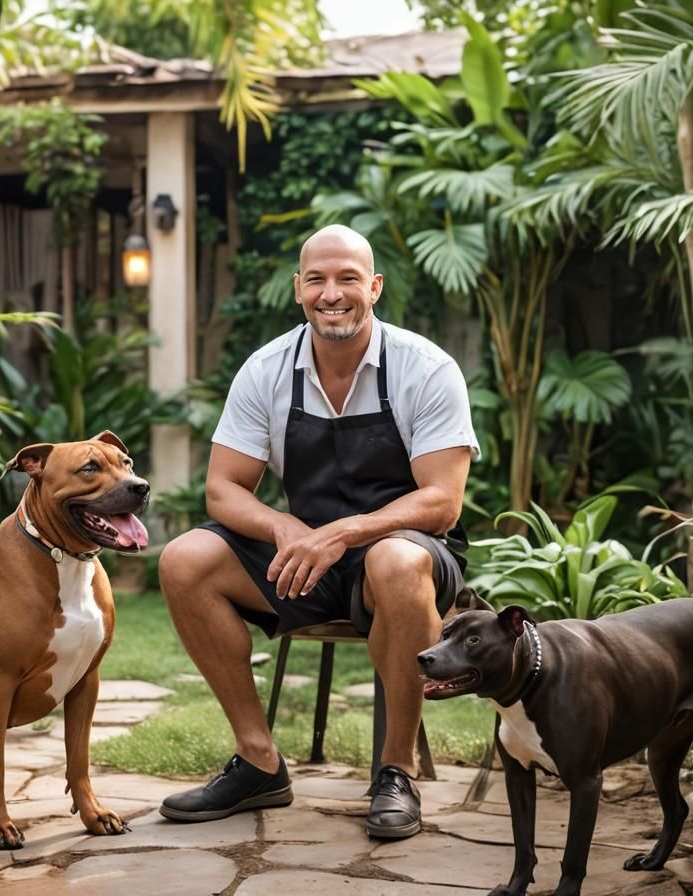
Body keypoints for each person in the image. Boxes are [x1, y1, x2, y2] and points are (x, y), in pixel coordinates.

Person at [157, 224, 478, 840]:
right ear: (298, 289)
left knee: (393, 561)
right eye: (318, 279)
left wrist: (346, 532)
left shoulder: (425, 368)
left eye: (348, 278)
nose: (333, 293)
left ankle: (396, 773)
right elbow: (222, 488)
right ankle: (259, 762)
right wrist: (284, 526)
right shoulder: (266, 370)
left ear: (375, 288)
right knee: (185, 558)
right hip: (306, 553)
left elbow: (441, 501)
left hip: (408, 555)